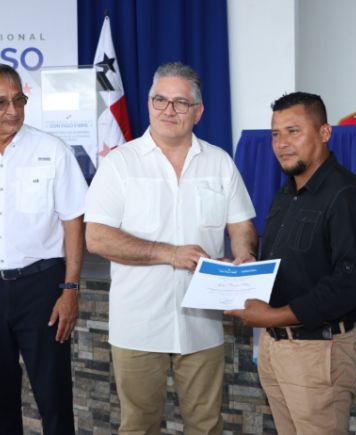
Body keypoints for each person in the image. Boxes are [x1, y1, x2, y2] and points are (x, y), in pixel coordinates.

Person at [85, 62, 257, 435]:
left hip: (202, 324)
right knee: (139, 426)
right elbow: (96, 237)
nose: (169, 110)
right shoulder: (120, 163)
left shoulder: (219, 162)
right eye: (160, 100)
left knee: (206, 426)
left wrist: (244, 255)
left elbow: (241, 224)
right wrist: (170, 253)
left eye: (181, 102)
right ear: (149, 103)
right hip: (138, 325)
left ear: (198, 111)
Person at [226, 92, 356, 434]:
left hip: (318, 350)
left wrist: (272, 317)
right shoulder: (287, 193)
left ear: (324, 133)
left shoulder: (347, 195)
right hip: (275, 347)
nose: (282, 143)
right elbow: (290, 265)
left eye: (293, 131)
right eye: (275, 134)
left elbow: (347, 285)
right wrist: (244, 269)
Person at [0, 64, 87, 435]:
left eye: (19, 100)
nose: (13, 110)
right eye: (2, 102)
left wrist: (70, 289)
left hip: (42, 288)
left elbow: (73, 222)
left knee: (54, 399)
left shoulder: (52, 151)